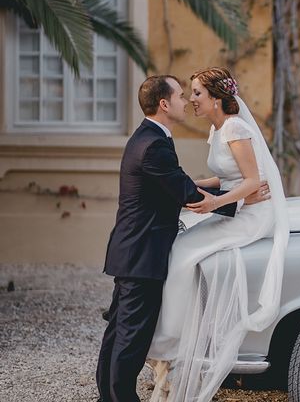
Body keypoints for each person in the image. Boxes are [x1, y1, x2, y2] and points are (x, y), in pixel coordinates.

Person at [96, 74, 268, 402]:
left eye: (193, 94)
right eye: (180, 95)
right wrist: (241, 199)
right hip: (143, 253)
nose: (187, 101)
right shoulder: (154, 145)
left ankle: (108, 395)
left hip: (132, 249)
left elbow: (178, 183)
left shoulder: (150, 138)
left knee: (118, 331)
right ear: (164, 104)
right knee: (130, 338)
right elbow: (186, 193)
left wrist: (230, 192)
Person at [147, 67, 289, 402]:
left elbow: (253, 182)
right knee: (179, 246)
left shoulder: (236, 128)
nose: (192, 99)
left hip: (253, 214)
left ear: (215, 97)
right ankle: (170, 341)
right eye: (191, 94)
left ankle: (171, 347)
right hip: (236, 205)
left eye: (196, 93)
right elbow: (225, 177)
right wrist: (194, 187)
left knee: (182, 254)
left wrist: (215, 204)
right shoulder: (217, 129)